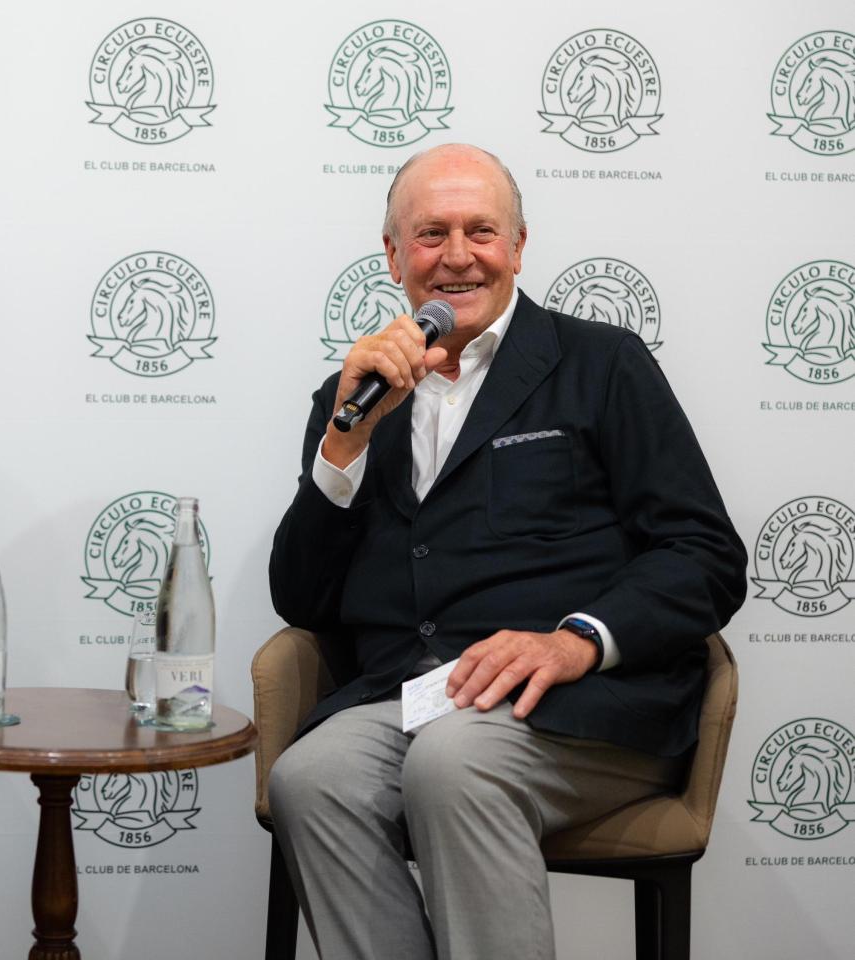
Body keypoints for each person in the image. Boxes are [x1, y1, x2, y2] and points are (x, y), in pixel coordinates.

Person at [266, 143, 745, 959]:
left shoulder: (602, 365)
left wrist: (573, 641)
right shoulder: (356, 393)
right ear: (392, 255)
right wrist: (344, 443)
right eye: (430, 234)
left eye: (481, 231)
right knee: (308, 780)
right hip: (409, 696)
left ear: (518, 246)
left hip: (579, 705)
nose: (457, 256)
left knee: (453, 763)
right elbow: (303, 600)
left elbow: (704, 552)